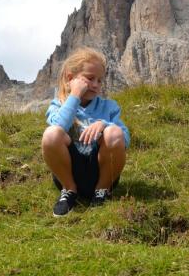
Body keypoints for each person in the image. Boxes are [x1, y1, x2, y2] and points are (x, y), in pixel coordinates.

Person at [42, 47, 130, 217]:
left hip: (101, 172)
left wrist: (104, 124)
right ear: (70, 78)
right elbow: (58, 127)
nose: (96, 85)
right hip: (69, 172)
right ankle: (69, 191)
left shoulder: (109, 107)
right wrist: (74, 95)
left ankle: (102, 191)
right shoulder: (58, 105)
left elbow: (124, 140)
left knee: (114, 132)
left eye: (100, 80)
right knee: (51, 134)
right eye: (90, 78)